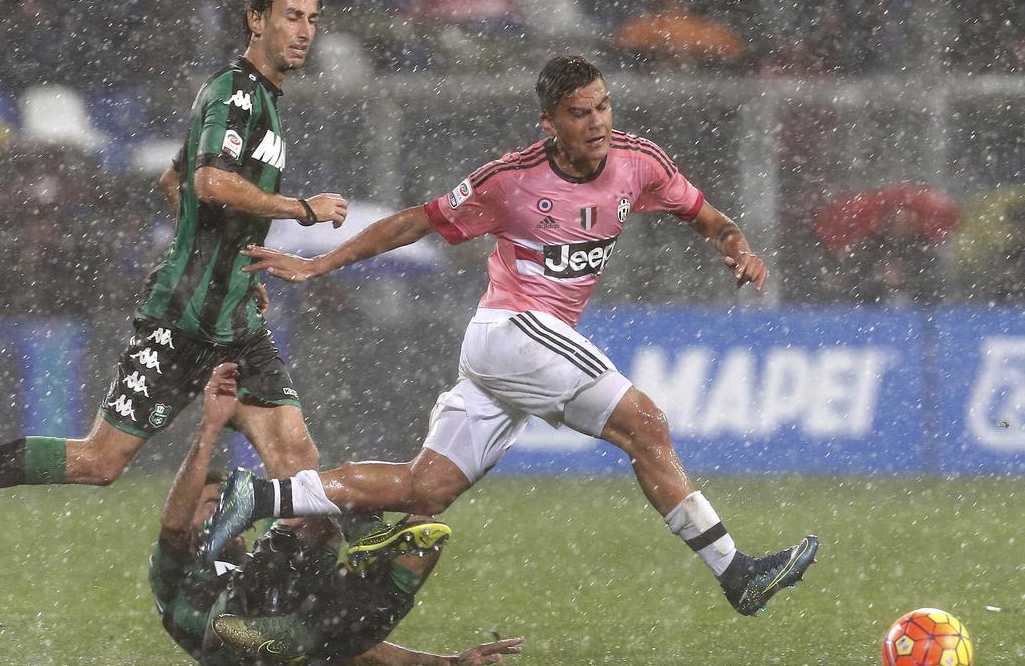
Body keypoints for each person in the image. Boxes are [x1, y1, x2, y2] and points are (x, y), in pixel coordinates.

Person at [217, 55, 818, 617]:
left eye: (603, 106)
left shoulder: (640, 165)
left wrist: (741, 251)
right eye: (579, 113)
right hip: (513, 330)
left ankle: (258, 498)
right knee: (647, 425)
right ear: (549, 123)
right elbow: (414, 221)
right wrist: (321, 264)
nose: (597, 122)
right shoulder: (510, 181)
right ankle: (735, 572)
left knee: (425, 487)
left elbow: (714, 222)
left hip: (512, 354)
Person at [0, 0, 350, 561]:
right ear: (257, 20)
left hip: (236, 323)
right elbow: (208, 181)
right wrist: (301, 209)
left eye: (312, 19)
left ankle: (293, 610)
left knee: (299, 470)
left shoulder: (263, 100)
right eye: (291, 16)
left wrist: (222, 260)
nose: (304, 32)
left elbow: (172, 180)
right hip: (182, 322)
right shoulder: (236, 93)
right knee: (100, 461)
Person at [152, 363, 523, 666]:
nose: (218, 510)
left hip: (301, 646)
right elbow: (172, 524)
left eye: (222, 502)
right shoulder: (180, 566)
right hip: (225, 645)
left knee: (414, 535)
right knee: (304, 514)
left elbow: (364, 651)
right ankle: (363, 537)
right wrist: (210, 426)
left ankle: (370, 553)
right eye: (209, 504)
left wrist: (448, 662)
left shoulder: (257, 568)